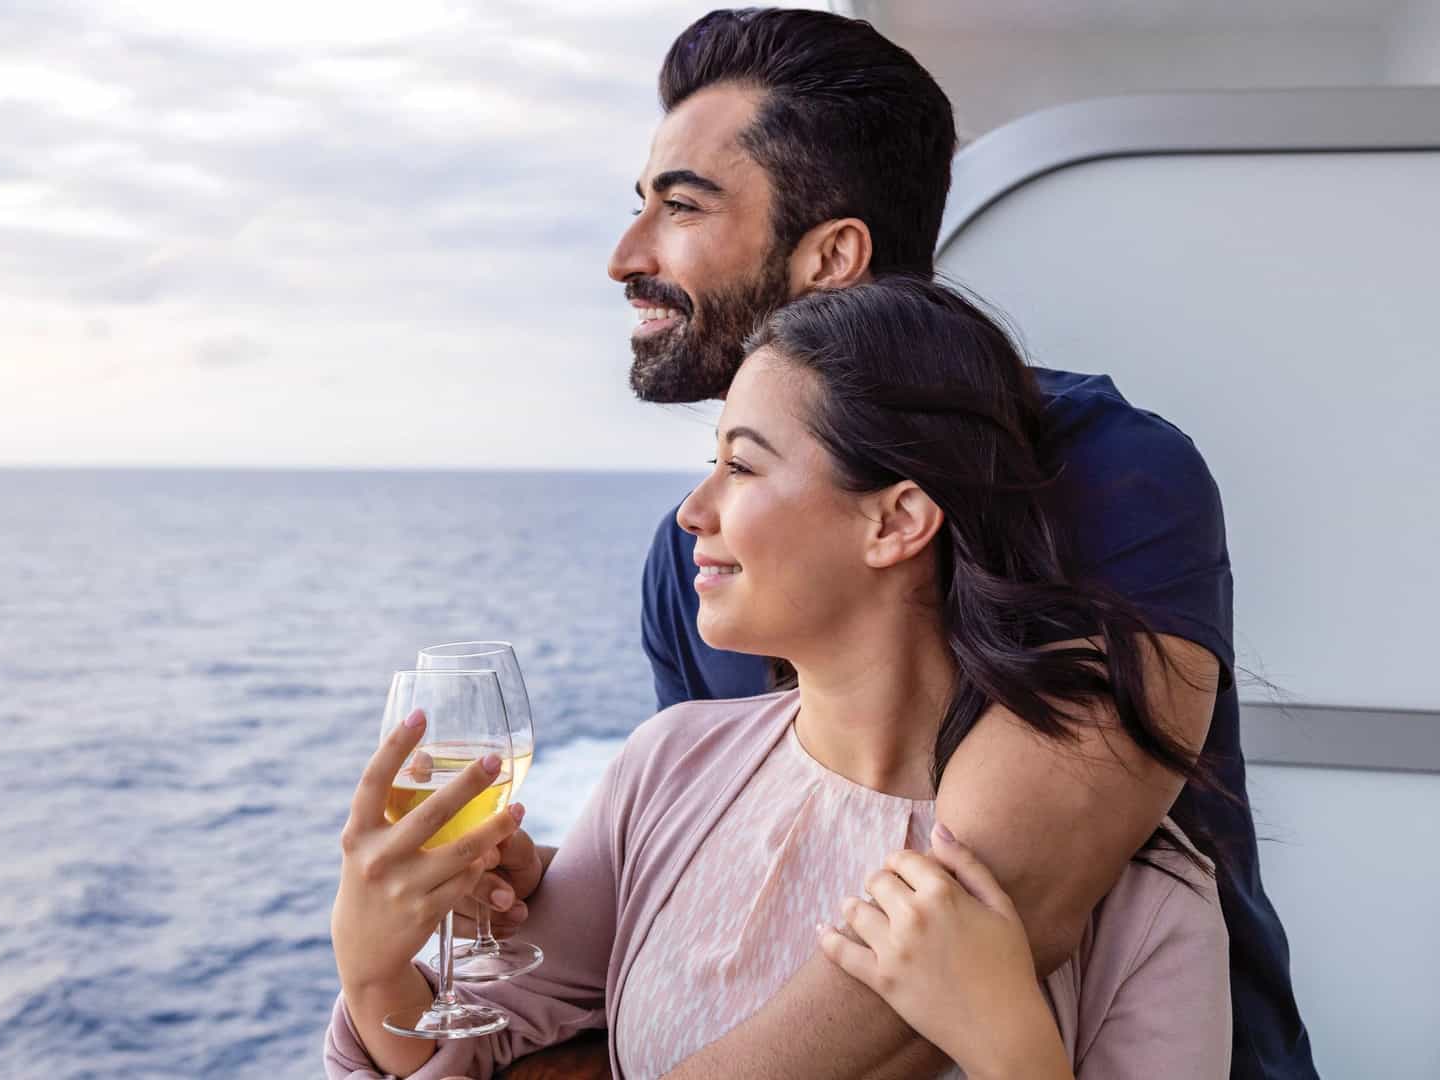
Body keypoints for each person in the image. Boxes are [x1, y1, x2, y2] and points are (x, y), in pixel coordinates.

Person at [465, 8, 1316, 1078]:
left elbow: (992, 901)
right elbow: (746, 868)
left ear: (833, 254)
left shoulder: (1108, 472)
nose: (625, 258)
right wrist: (562, 900)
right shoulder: (691, 567)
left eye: (680, 207)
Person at [326, 277, 1231, 1079]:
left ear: (896, 522)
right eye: (709, 464)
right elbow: (476, 1050)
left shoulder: (1145, 899)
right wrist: (372, 969)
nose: (693, 511)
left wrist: (1010, 1048)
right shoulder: (668, 769)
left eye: (742, 465)